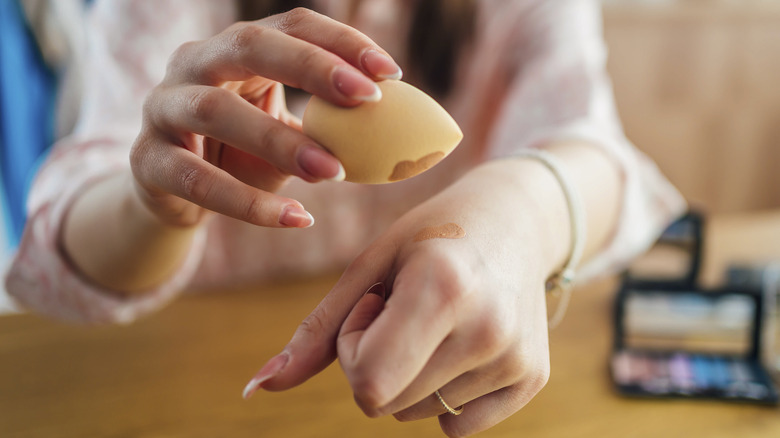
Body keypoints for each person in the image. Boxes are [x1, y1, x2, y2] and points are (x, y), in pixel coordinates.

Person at [5, 0, 685, 436]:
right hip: (182, 397)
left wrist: (522, 212)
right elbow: (61, 248)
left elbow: (594, 151)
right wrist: (155, 200)